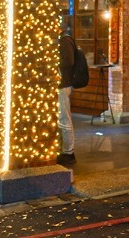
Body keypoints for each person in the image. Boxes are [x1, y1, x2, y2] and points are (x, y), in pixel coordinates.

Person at [57, 29, 78, 165]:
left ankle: (69, 153)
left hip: (64, 84)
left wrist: (53, 63)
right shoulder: (64, 39)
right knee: (62, 118)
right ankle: (64, 151)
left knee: (64, 119)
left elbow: (69, 61)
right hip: (62, 84)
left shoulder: (64, 40)